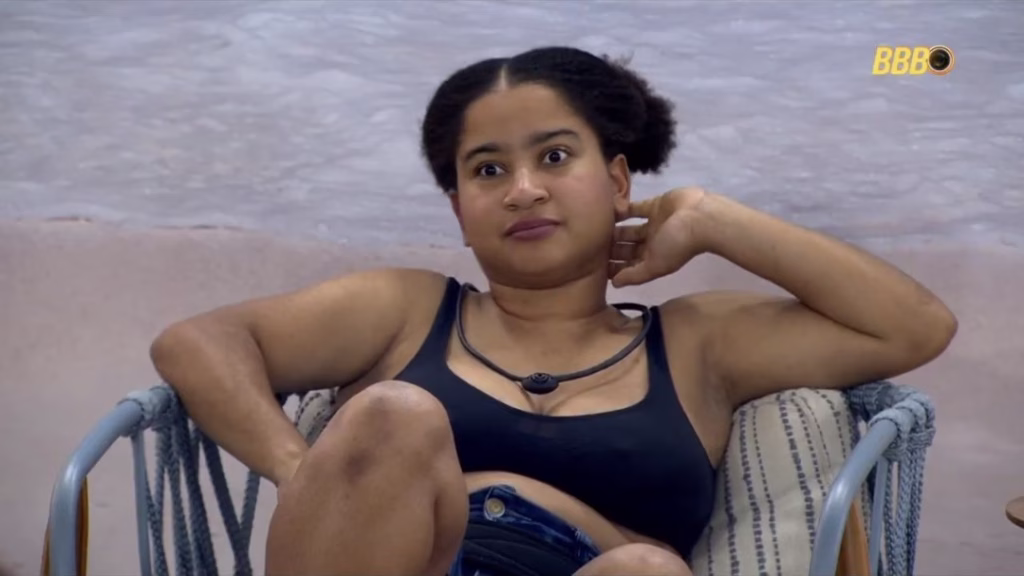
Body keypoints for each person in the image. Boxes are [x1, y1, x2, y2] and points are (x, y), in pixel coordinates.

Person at [149, 46, 958, 576]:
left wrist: (711, 218)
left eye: (555, 156)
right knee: (394, 413)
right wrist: (305, 476)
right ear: (460, 211)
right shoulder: (403, 309)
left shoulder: (698, 344)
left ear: (617, 182)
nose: (524, 189)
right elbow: (200, 343)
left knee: (644, 572)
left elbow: (913, 326)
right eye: (487, 170)